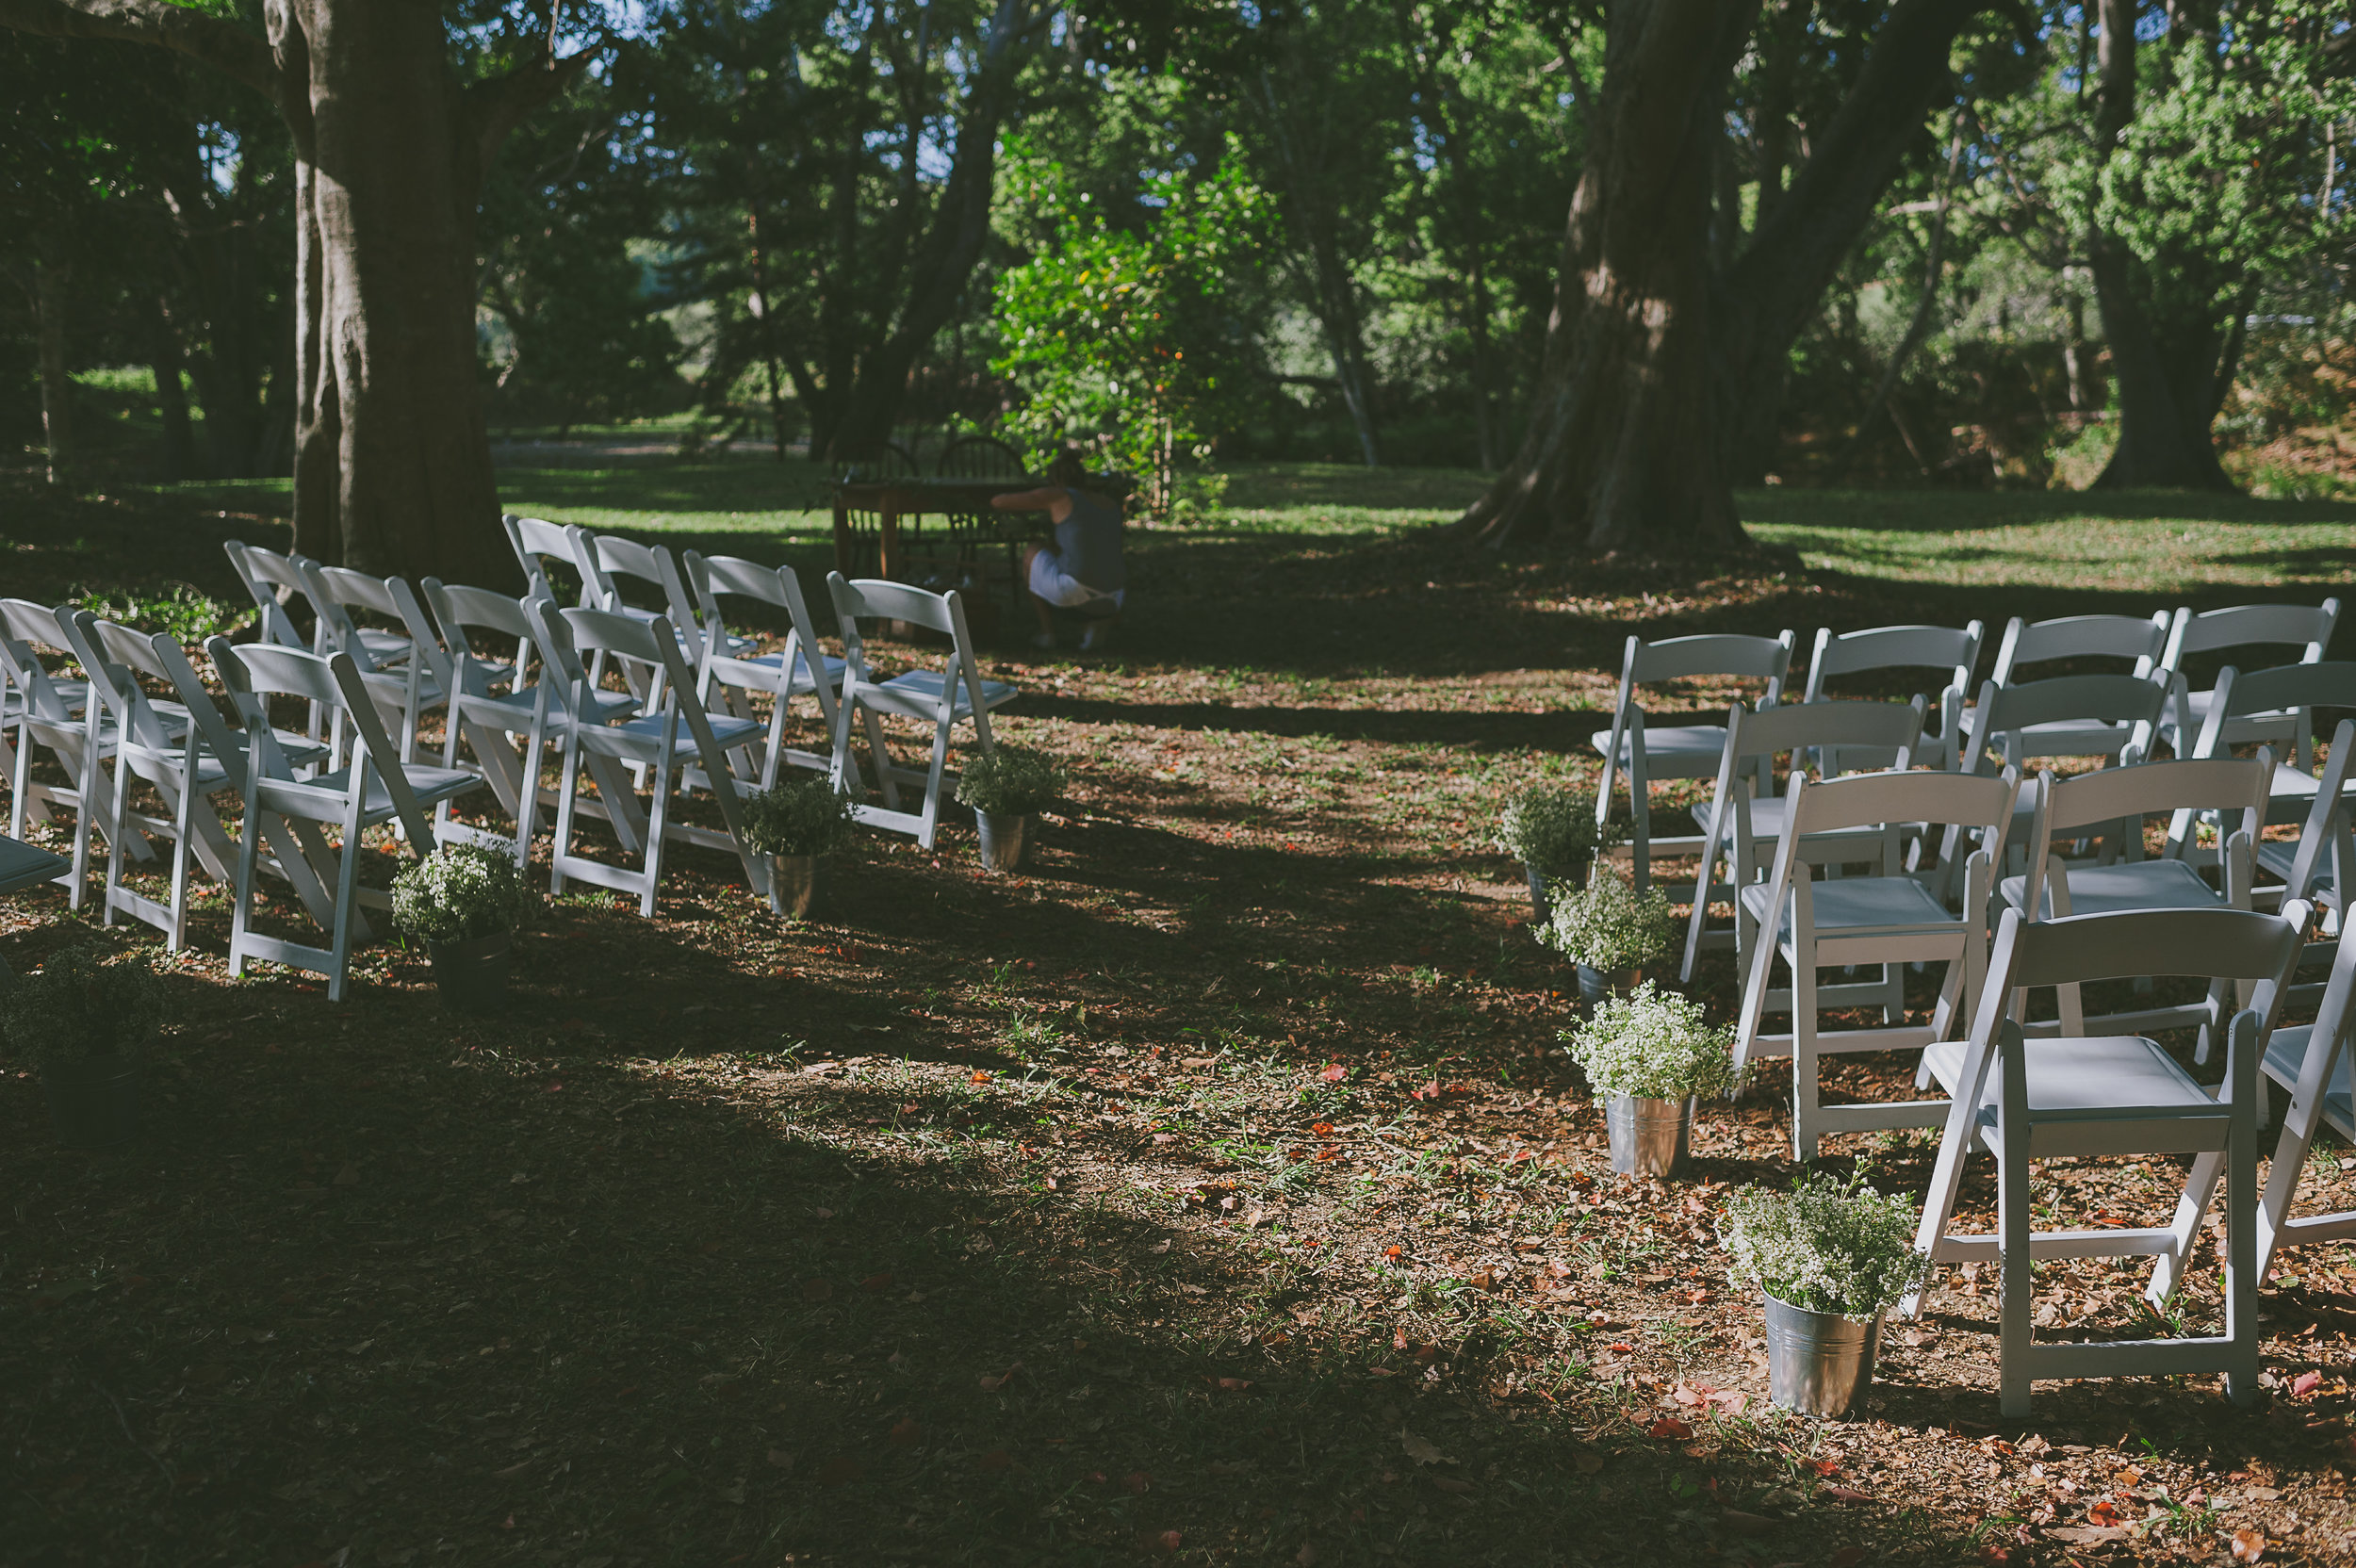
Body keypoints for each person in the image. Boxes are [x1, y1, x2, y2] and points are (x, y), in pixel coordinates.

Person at [991, 447, 1126, 651]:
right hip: (1116, 598)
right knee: (1069, 554)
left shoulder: (1060, 496)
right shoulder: (1109, 502)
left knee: (1033, 550)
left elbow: (998, 502)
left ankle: (1048, 634)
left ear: (1054, 480)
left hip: (1075, 595)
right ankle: (1094, 626)